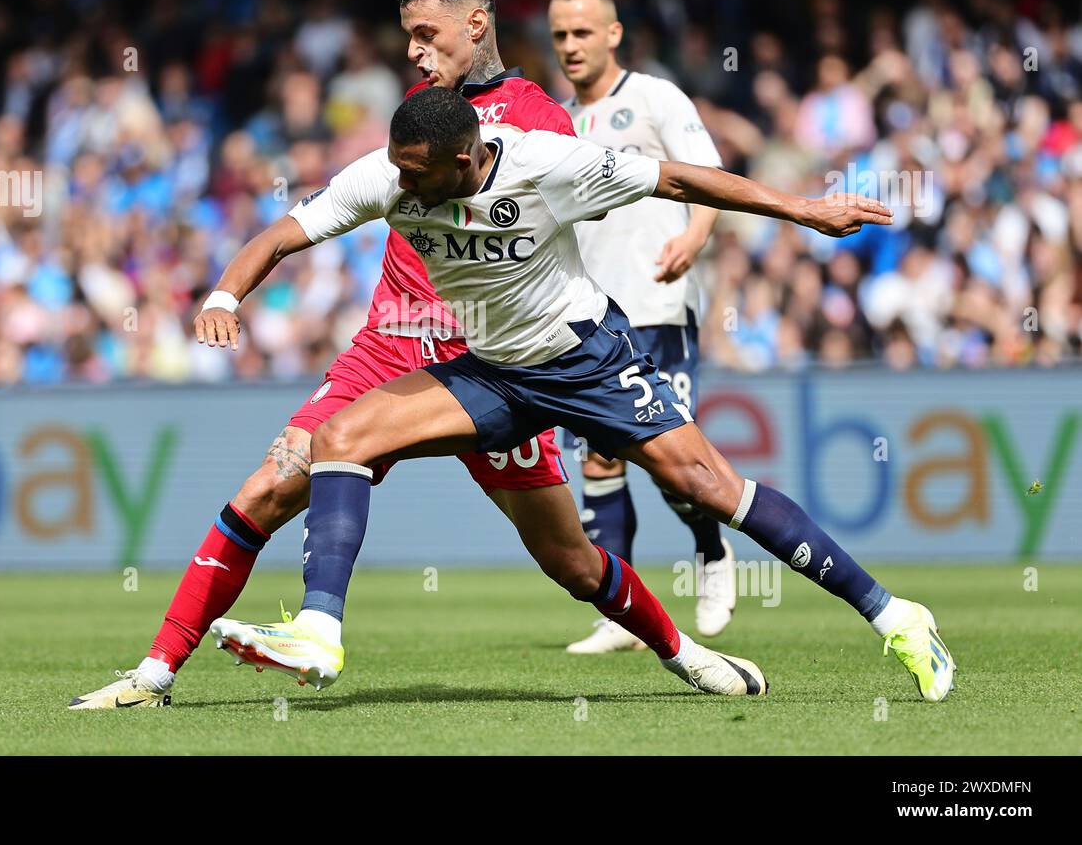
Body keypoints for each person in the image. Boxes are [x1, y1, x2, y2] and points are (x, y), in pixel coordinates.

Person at [70, 0, 694, 709]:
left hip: (488, 362)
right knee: (266, 488)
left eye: (425, 35)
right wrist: (225, 295)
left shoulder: (537, 119)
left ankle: (682, 651)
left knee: (570, 561)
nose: (413, 51)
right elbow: (312, 217)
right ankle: (156, 673)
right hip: (388, 348)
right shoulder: (417, 114)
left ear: (476, 23)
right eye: (408, 37)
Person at [206, 87, 956, 704]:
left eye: (420, 172)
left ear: (465, 159)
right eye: (398, 168)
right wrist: (223, 297)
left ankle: (896, 615)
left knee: (708, 485)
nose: (404, 185)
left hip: (585, 360)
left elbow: (679, 177)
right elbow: (278, 237)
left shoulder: (549, 165)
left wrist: (802, 208)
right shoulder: (384, 176)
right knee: (340, 439)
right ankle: (318, 630)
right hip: (493, 370)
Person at [550, 0, 734, 650]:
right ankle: (620, 616)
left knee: (671, 461)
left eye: (581, 33)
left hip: (658, 301)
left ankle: (712, 554)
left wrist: (696, 236)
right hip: (593, 316)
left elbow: (708, 173)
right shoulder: (557, 123)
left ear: (613, 34)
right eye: (560, 36)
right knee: (599, 462)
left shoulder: (654, 97)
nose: (570, 46)